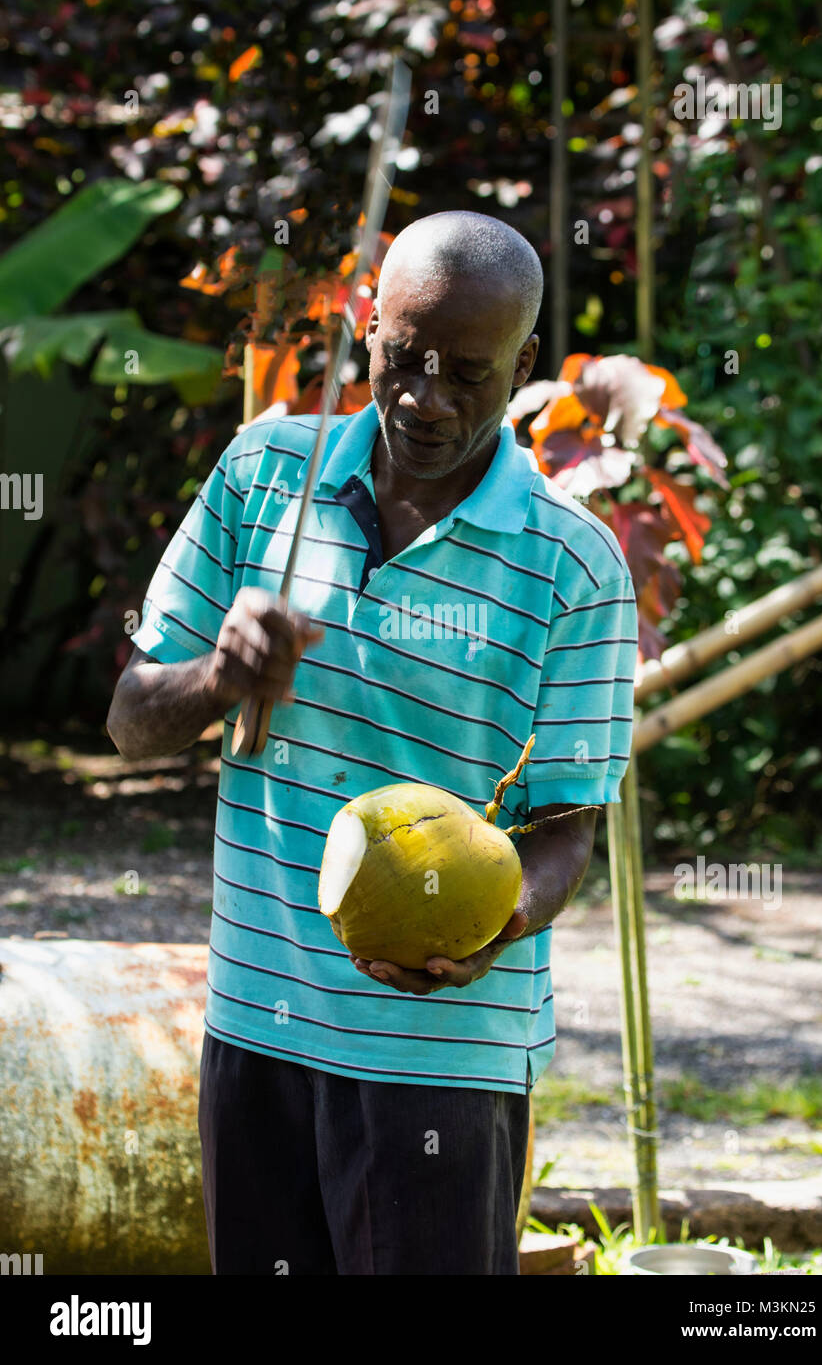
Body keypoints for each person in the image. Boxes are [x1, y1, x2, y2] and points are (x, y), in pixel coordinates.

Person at [106, 210, 638, 1275]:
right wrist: (221, 673)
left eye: (468, 375)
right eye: (404, 360)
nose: (426, 400)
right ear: (366, 330)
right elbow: (129, 724)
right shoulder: (266, 478)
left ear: (524, 363)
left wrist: (498, 922)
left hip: (440, 1057)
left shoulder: (573, 568)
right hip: (257, 1020)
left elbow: (565, 830)